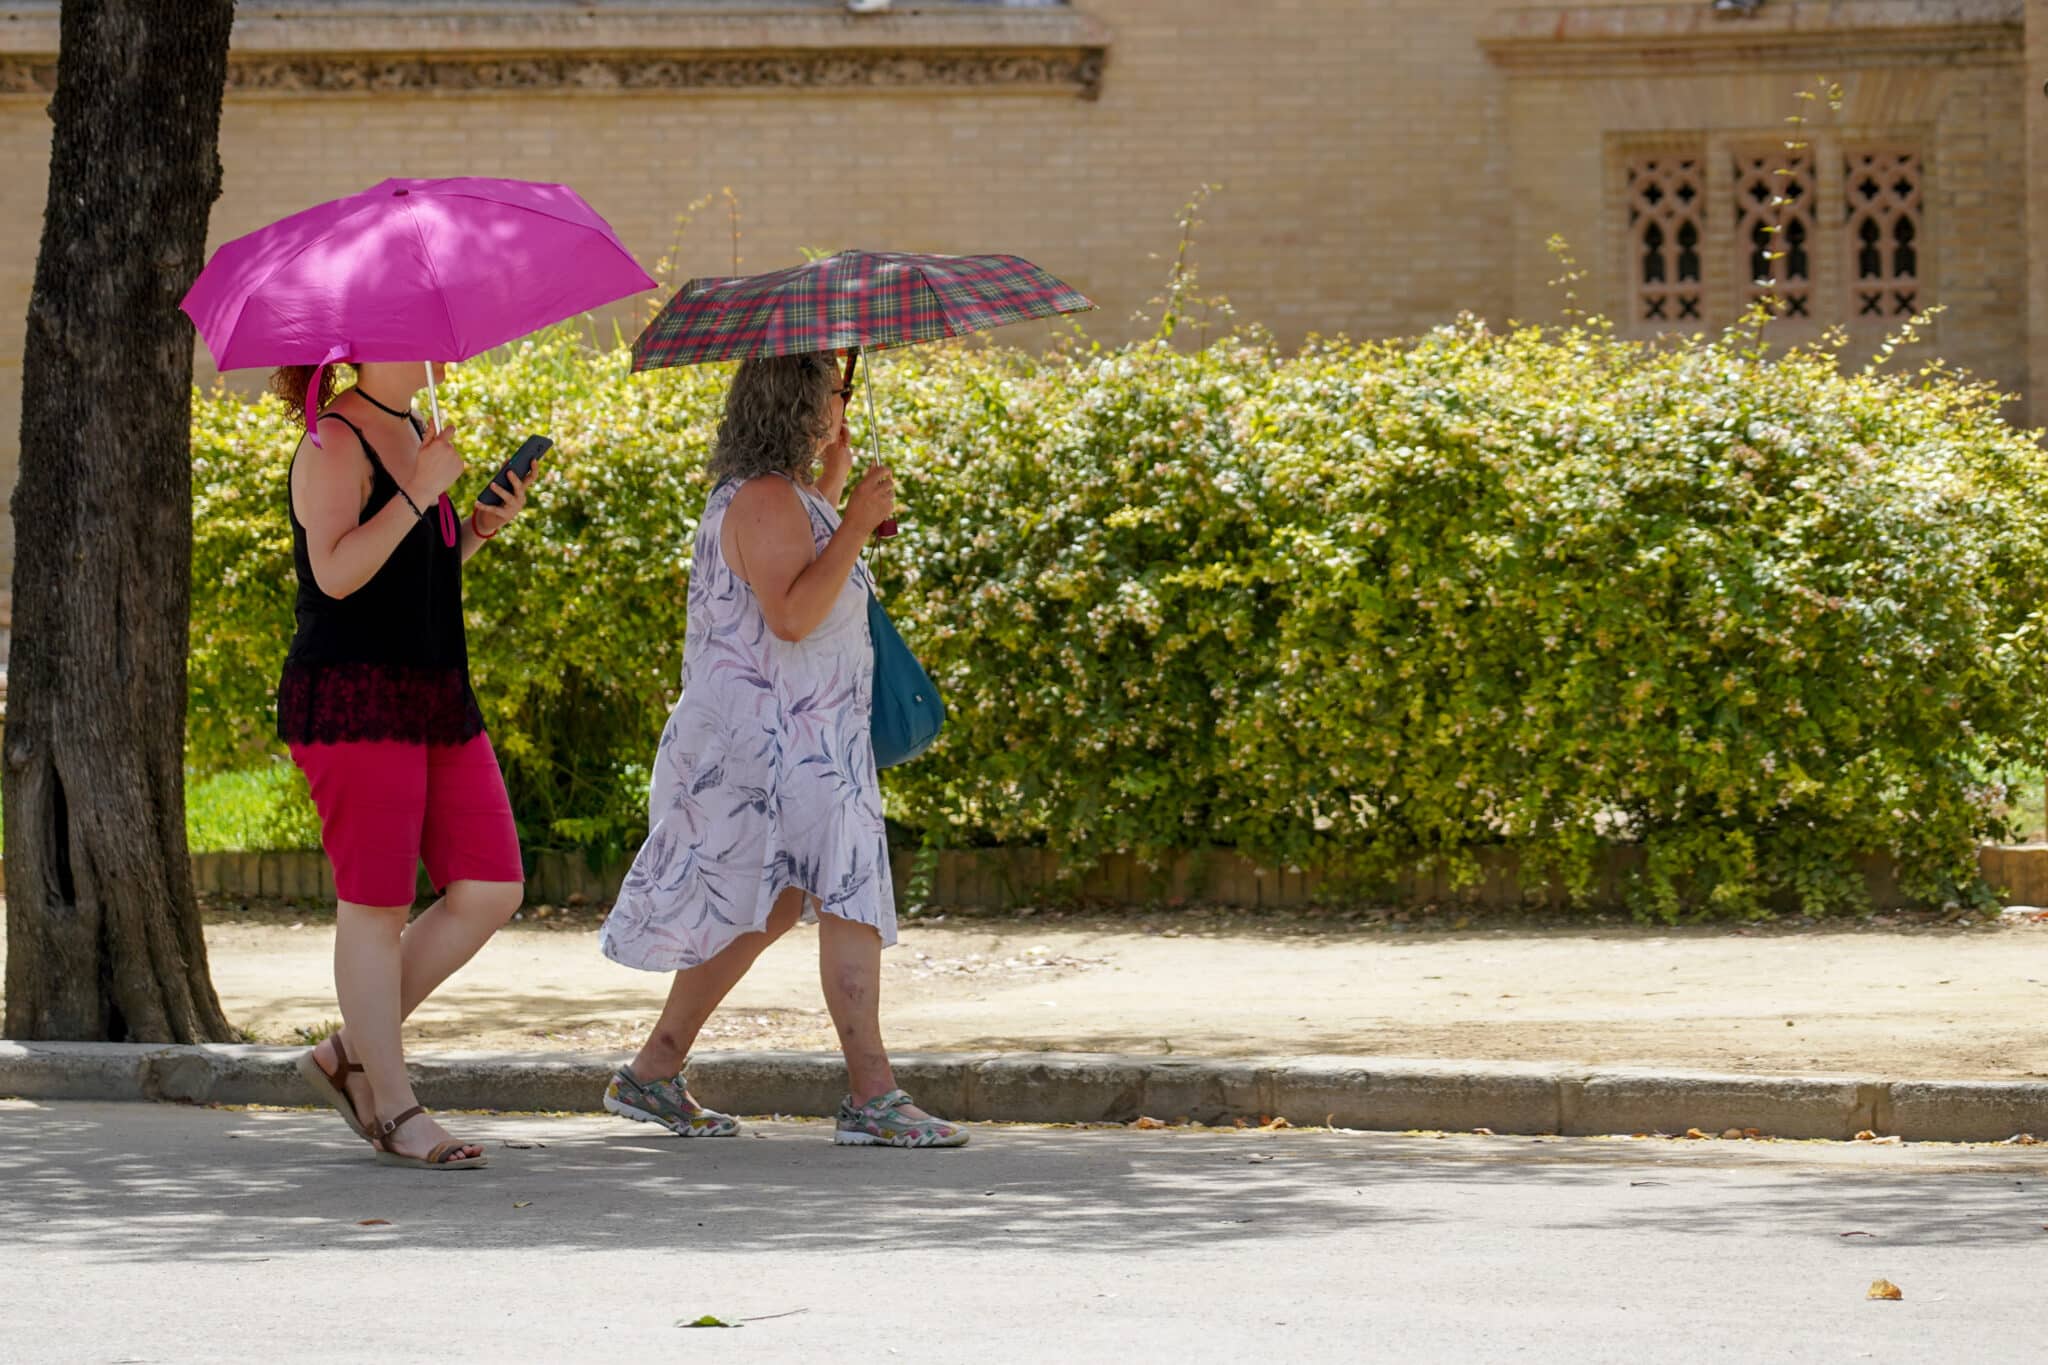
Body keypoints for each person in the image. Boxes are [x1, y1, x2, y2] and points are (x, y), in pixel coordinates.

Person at [599, 352, 966, 1148]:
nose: (845, 400)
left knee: (765, 904)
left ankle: (654, 1072)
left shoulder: (782, 497)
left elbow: (796, 567)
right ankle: (872, 1095)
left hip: (791, 737)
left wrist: (832, 492)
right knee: (846, 894)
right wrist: (860, 522)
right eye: (835, 390)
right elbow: (793, 614)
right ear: (798, 401)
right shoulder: (766, 499)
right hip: (788, 744)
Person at [280, 359, 538, 1170]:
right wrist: (420, 492)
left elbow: (408, 581)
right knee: (375, 907)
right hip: (354, 694)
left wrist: (480, 529)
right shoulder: (333, 440)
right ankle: (394, 1105)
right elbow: (336, 572)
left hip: (433, 691)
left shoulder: (419, 432)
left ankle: (349, 1052)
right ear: (369, 337)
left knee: (493, 886)